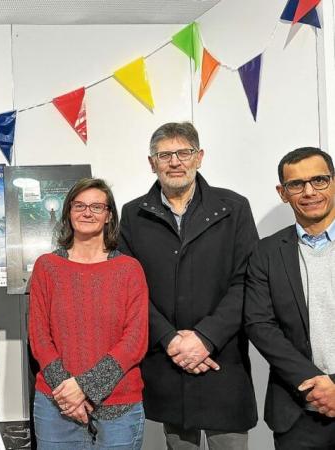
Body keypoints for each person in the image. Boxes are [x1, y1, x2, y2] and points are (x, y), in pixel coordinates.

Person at [118, 122, 258, 449]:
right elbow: (130, 290)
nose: (175, 162)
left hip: (223, 359)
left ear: (200, 157)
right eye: (165, 155)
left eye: (184, 152)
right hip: (169, 361)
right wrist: (170, 340)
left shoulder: (233, 208)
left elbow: (247, 281)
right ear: (152, 163)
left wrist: (206, 338)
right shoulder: (133, 214)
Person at [29, 177, 148, 450]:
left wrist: (84, 387)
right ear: (68, 212)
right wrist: (67, 393)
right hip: (55, 403)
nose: (87, 212)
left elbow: (135, 340)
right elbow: (39, 337)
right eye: (79, 205)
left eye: (96, 207)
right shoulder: (47, 267)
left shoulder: (129, 269)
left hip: (119, 404)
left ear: (108, 216)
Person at [245, 147, 335, 449]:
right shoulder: (266, 252)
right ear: (283, 193)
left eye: (319, 180)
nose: (309, 191)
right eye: (297, 184)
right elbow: (260, 325)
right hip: (297, 414)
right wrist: (318, 385)